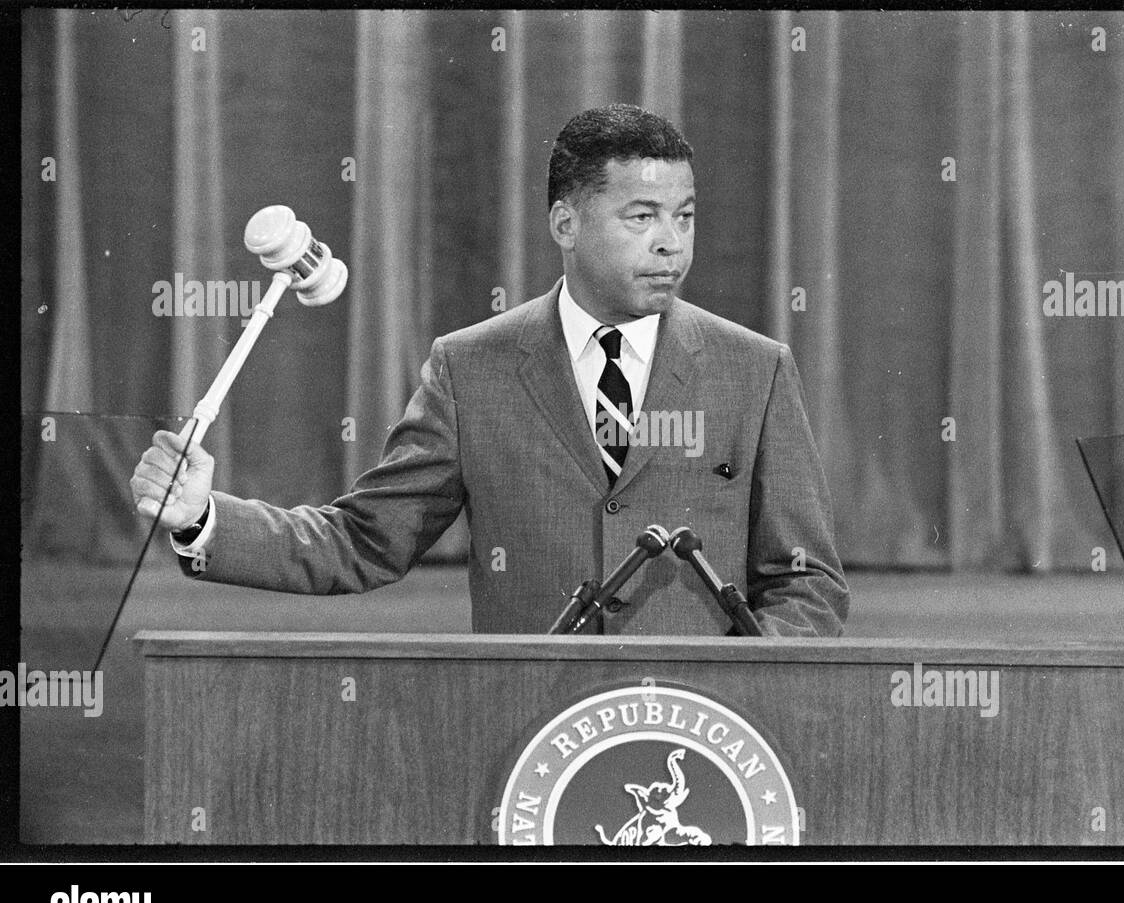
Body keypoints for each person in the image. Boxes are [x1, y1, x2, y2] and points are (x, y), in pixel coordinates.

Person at [131, 104, 848, 637]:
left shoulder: (756, 371)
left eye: (685, 217)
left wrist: (744, 685)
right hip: (528, 736)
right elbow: (366, 542)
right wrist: (202, 516)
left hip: (700, 742)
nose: (671, 244)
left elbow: (806, 581)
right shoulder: (469, 369)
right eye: (643, 217)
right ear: (565, 225)